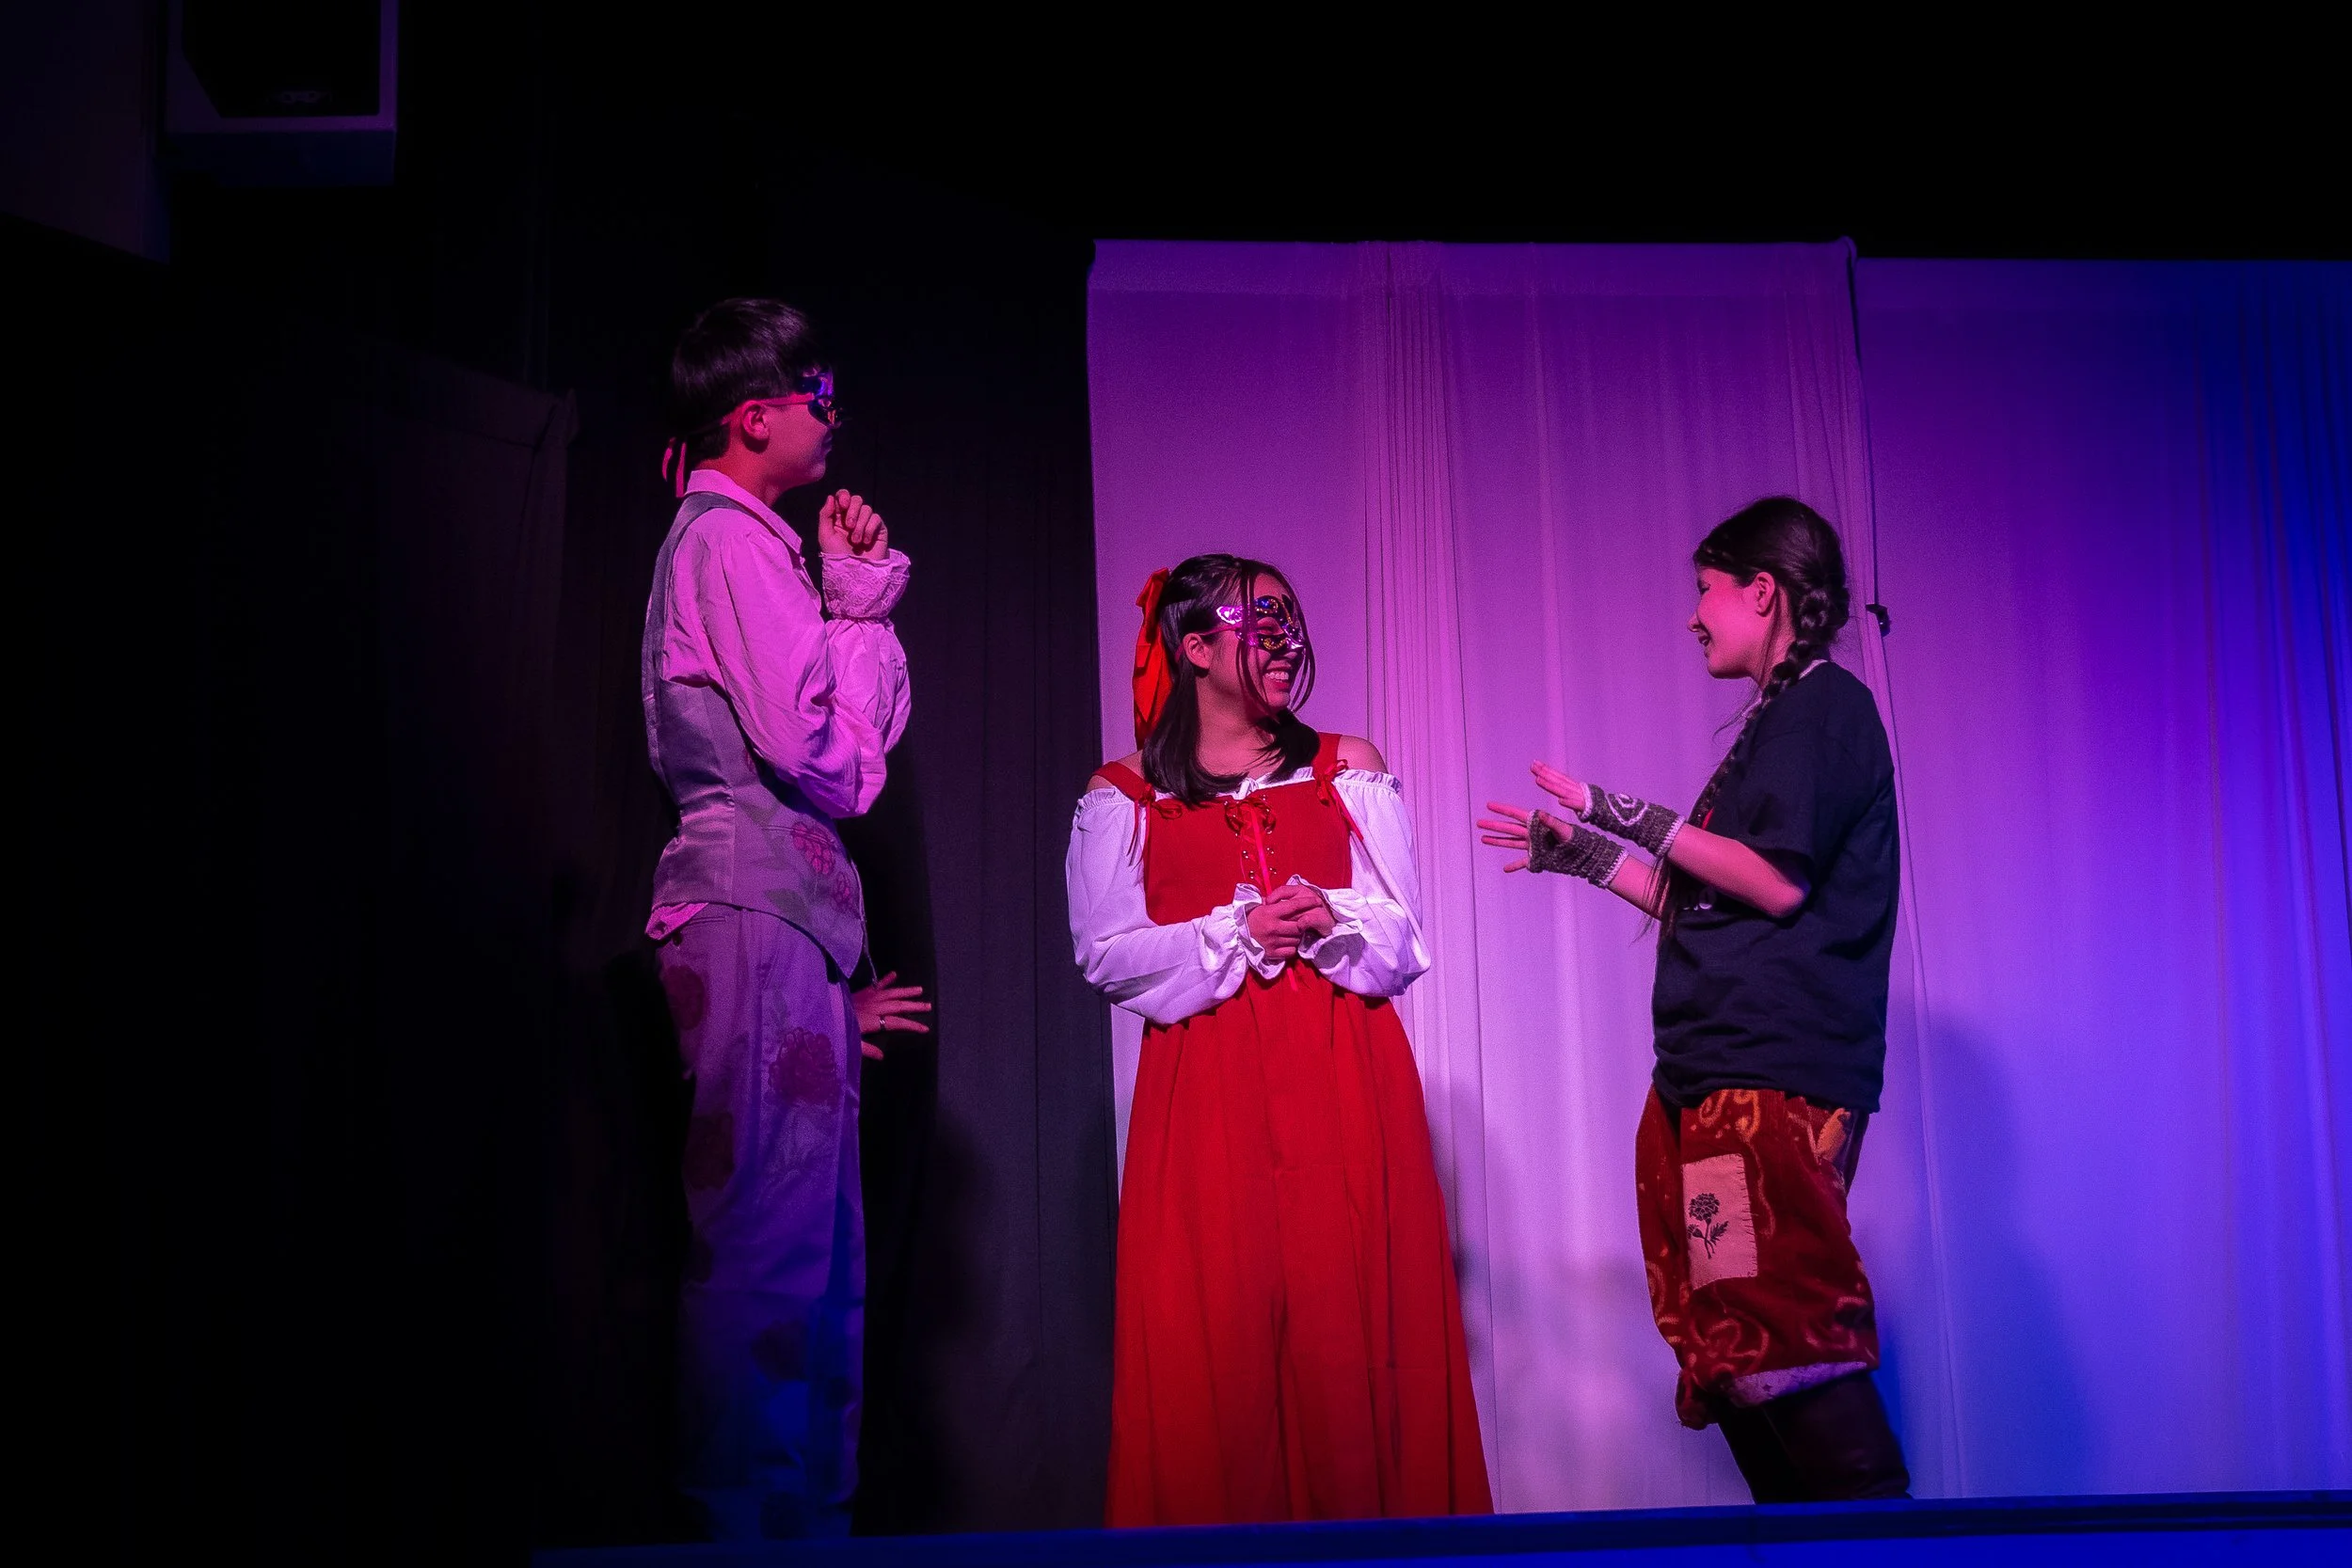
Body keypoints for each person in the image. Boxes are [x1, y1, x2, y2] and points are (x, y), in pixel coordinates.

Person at [1478, 497, 1910, 1502]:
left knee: (1787, 1324)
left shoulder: (1826, 708)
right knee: (1736, 1346)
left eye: (1706, 589)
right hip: (1707, 1079)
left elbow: (1776, 882)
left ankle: (1887, 1549)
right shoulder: (1772, 722)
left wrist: (1617, 807)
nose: (1694, 614)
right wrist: (1586, 854)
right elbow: (1706, 892)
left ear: (1763, 592)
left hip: (1768, 1077)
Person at [1067, 555, 1492, 1526]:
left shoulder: (1348, 764)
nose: (1281, 636)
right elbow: (1106, 952)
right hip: (1206, 1089)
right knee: (1216, 1337)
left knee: (1348, 1329)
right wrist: (1234, 932)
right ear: (1193, 642)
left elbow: (1403, 933)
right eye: (1258, 617)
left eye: (1289, 616)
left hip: (1341, 1072)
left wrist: (1327, 913)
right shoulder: (1125, 793)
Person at [643, 297, 916, 1539]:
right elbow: (831, 757)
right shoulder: (730, 540)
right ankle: (748, 1528)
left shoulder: (746, 541)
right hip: (753, 900)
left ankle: (795, 1521)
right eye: (820, 398)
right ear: (756, 417)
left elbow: (832, 744)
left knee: (810, 1249)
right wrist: (857, 611)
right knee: (765, 1242)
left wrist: (846, 601)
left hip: (775, 915)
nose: (833, 419)